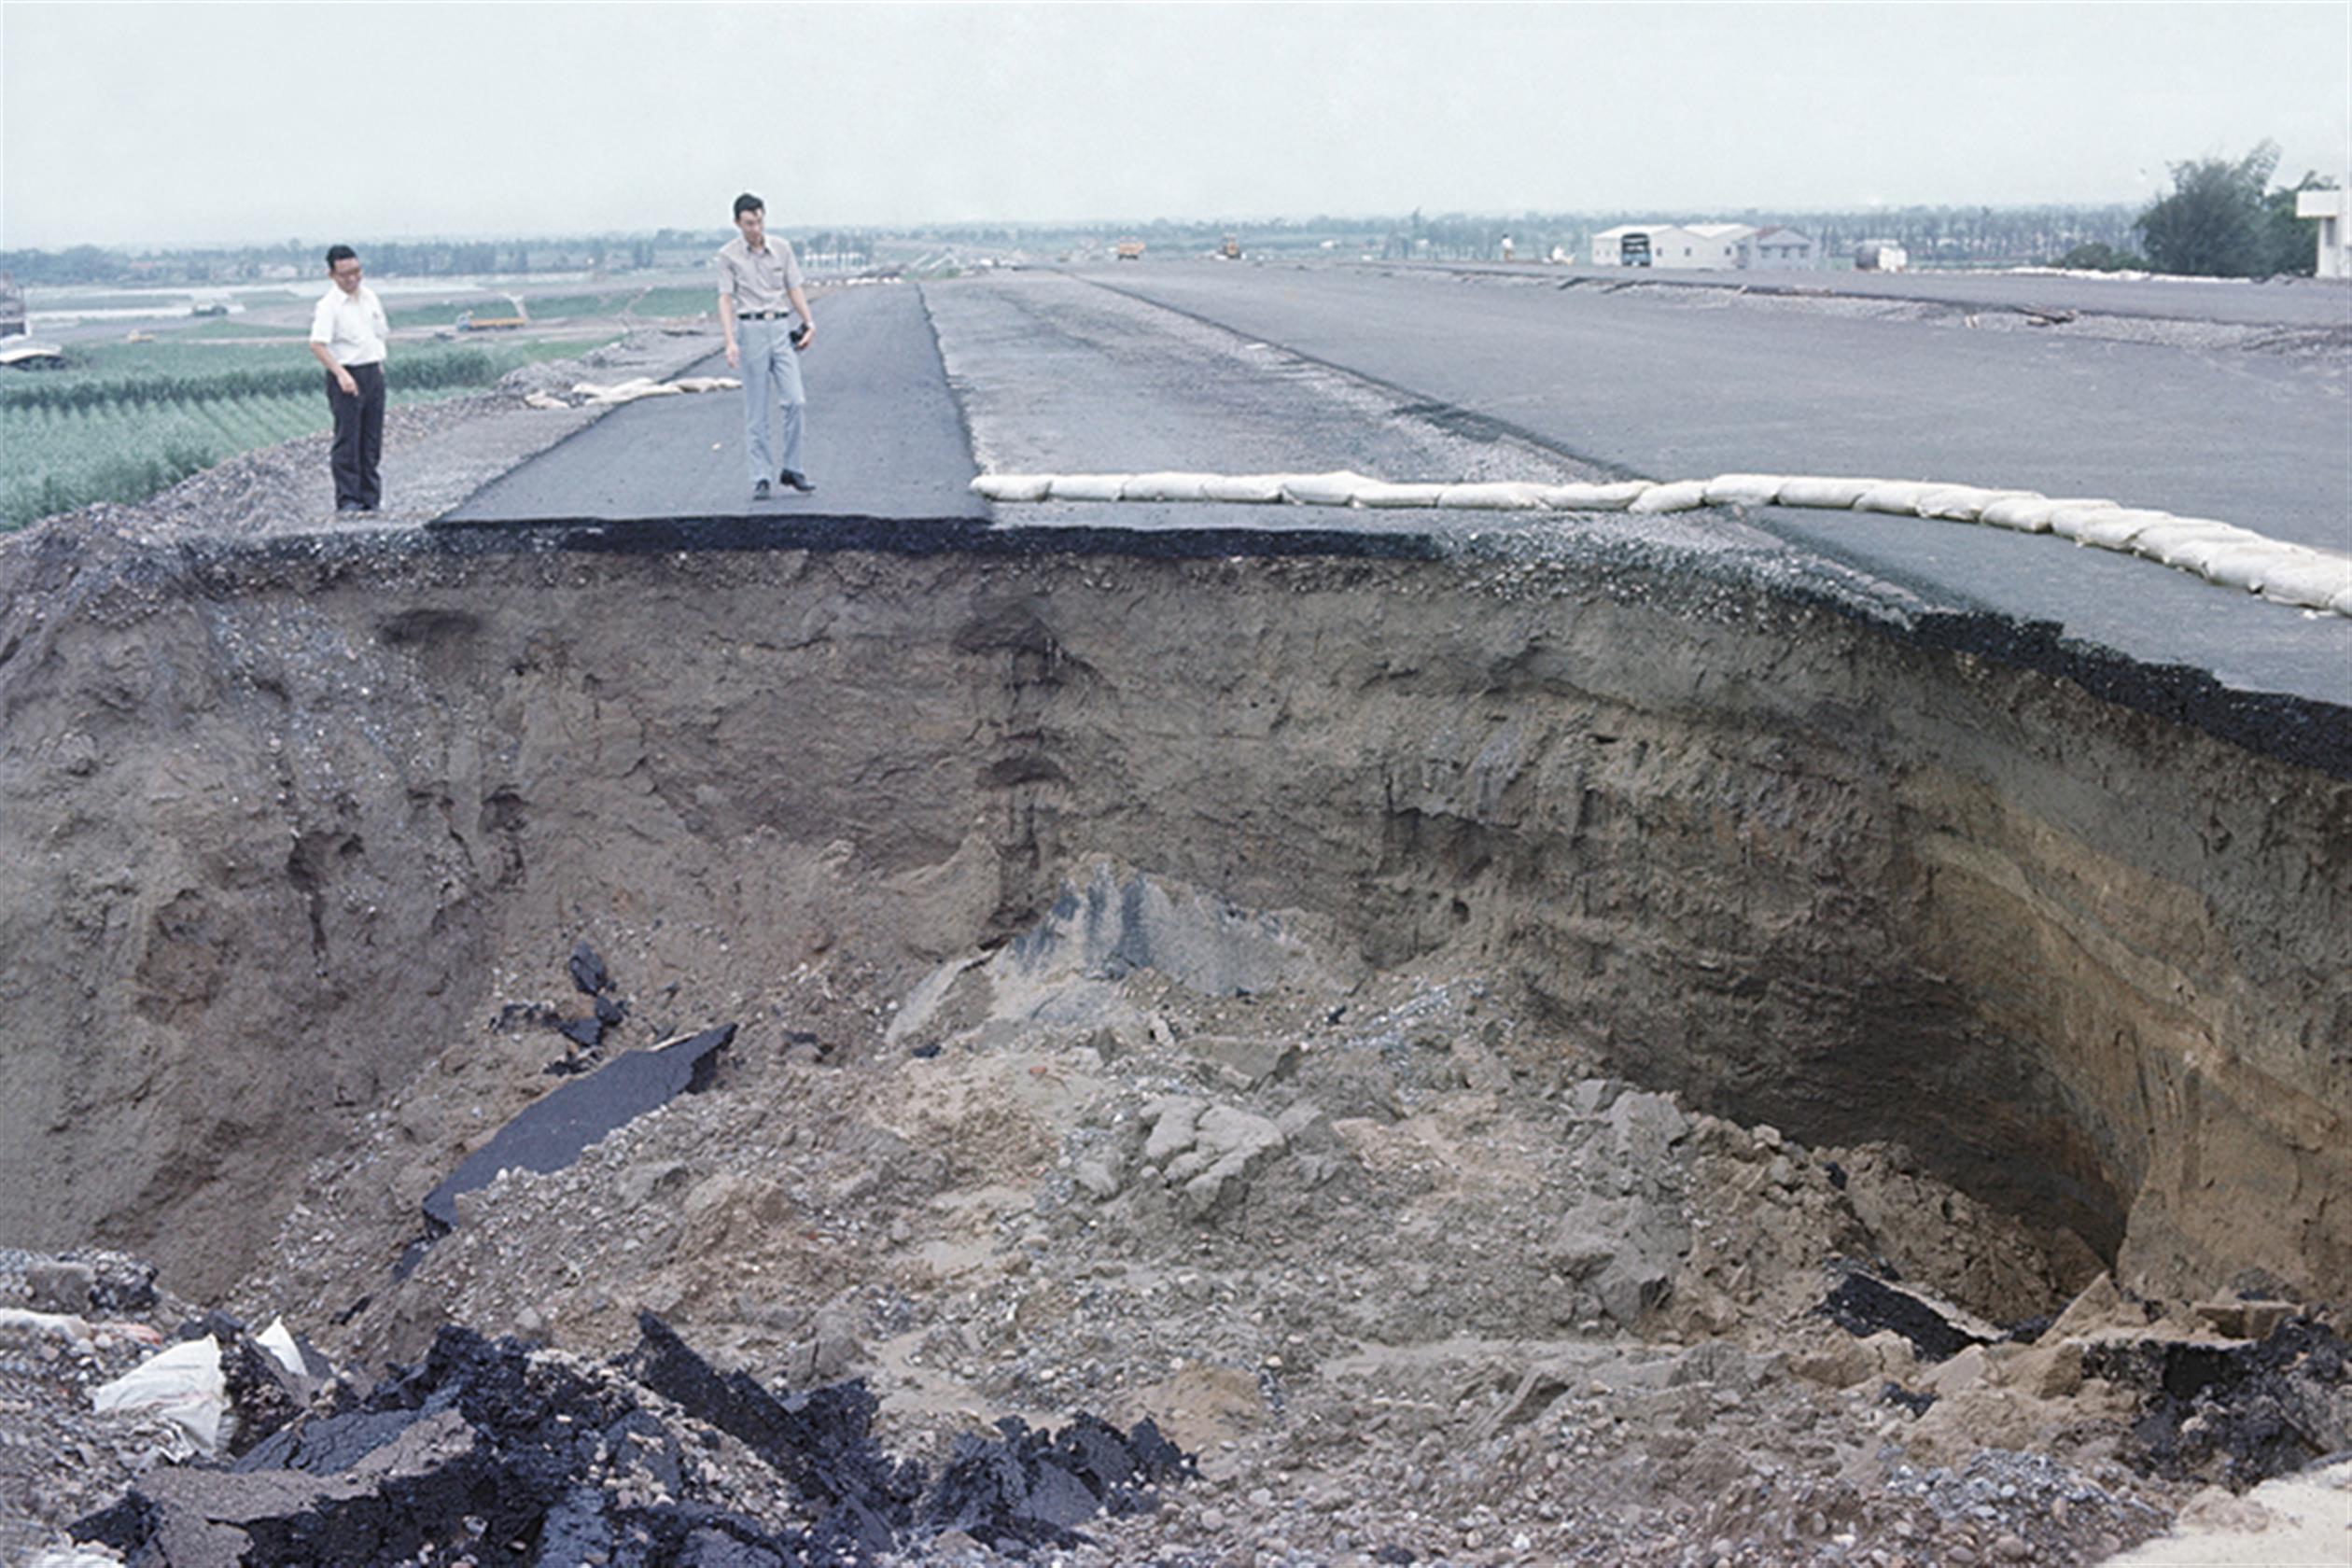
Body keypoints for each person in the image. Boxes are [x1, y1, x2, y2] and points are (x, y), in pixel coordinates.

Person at [717, 193, 817, 500]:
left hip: (780, 327)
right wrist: (730, 340)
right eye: (749, 223)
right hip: (751, 328)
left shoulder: (782, 249)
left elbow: (793, 287)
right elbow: (725, 298)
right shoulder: (728, 256)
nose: (756, 228)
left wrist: (809, 322)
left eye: (759, 221)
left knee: (795, 401)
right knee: (756, 409)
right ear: (737, 223)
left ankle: (792, 468)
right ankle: (761, 476)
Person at [307, 245, 390, 512]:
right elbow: (317, 345)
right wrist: (341, 374)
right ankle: (348, 500)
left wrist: (378, 365)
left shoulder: (370, 298)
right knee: (348, 441)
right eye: (345, 274)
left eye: (356, 272)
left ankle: (370, 498)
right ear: (332, 275)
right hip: (346, 376)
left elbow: (378, 334)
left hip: (372, 373)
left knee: (371, 440)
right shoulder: (328, 306)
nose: (352, 279)